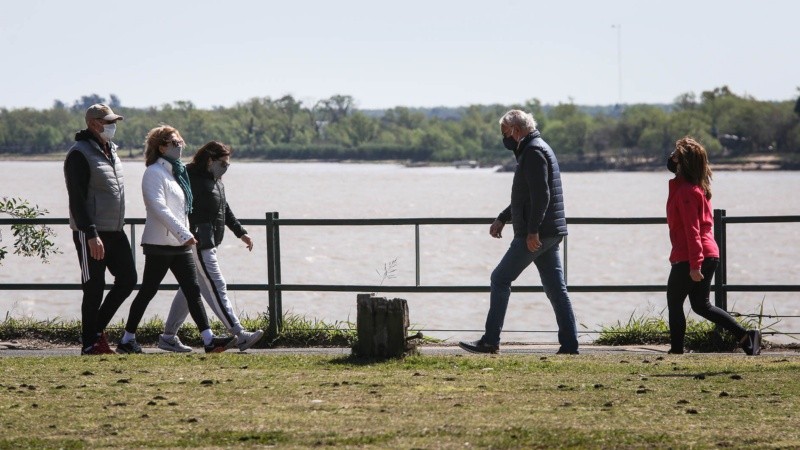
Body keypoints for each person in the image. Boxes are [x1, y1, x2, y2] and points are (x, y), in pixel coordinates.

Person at [459, 110, 579, 355]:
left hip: (537, 233)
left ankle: (490, 340)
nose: (504, 139)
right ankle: (570, 345)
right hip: (551, 231)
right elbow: (525, 196)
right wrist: (503, 218)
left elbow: (541, 196)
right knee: (556, 289)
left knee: (500, 278)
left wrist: (532, 231)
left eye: (505, 133)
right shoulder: (538, 148)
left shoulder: (533, 152)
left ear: (515, 130)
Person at [117, 126, 235, 354]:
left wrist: (185, 234)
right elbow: (158, 207)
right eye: (174, 142)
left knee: (193, 290)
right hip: (159, 244)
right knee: (148, 292)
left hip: (180, 244)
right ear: (161, 147)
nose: (180, 144)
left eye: (180, 140)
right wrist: (185, 233)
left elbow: (182, 209)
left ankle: (209, 340)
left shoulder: (176, 172)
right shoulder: (153, 172)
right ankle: (127, 339)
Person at [157, 141, 264, 352]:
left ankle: (168, 337)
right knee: (217, 284)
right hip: (198, 241)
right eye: (223, 163)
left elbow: (224, 207)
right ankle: (239, 333)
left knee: (190, 289)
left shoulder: (215, 180)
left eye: (228, 163)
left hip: (210, 241)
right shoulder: (189, 177)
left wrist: (240, 232)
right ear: (209, 160)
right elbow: (177, 206)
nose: (226, 167)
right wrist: (185, 232)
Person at [665, 137, 761, 355]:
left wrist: (695, 264)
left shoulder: (687, 191)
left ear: (683, 163)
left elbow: (693, 229)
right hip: (705, 253)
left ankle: (677, 350)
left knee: (674, 300)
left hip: (692, 256)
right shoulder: (691, 188)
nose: (670, 158)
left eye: (675, 155)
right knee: (701, 305)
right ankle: (747, 337)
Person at [64, 104, 137, 355]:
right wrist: (91, 234)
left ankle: (95, 332)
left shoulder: (111, 150)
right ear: (94, 123)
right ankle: (89, 343)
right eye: (108, 122)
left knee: (128, 279)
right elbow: (77, 200)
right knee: (94, 287)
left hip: (115, 229)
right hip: (90, 232)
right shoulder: (79, 154)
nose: (112, 126)